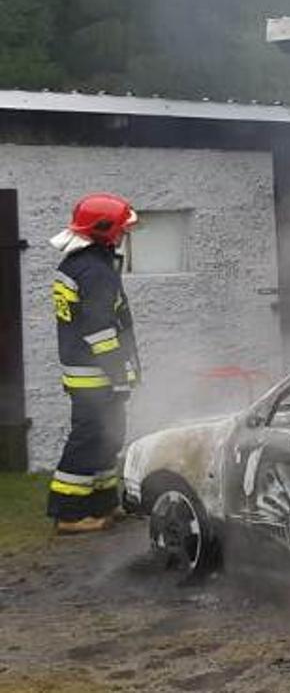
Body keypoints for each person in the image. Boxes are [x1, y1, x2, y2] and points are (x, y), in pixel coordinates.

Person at [46, 192, 141, 534]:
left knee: (107, 438)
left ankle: (103, 504)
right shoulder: (94, 270)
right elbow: (100, 330)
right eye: (121, 229)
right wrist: (119, 375)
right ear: (106, 229)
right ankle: (70, 514)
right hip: (96, 375)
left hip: (89, 372)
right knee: (89, 439)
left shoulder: (79, 264)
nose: (124, 236)